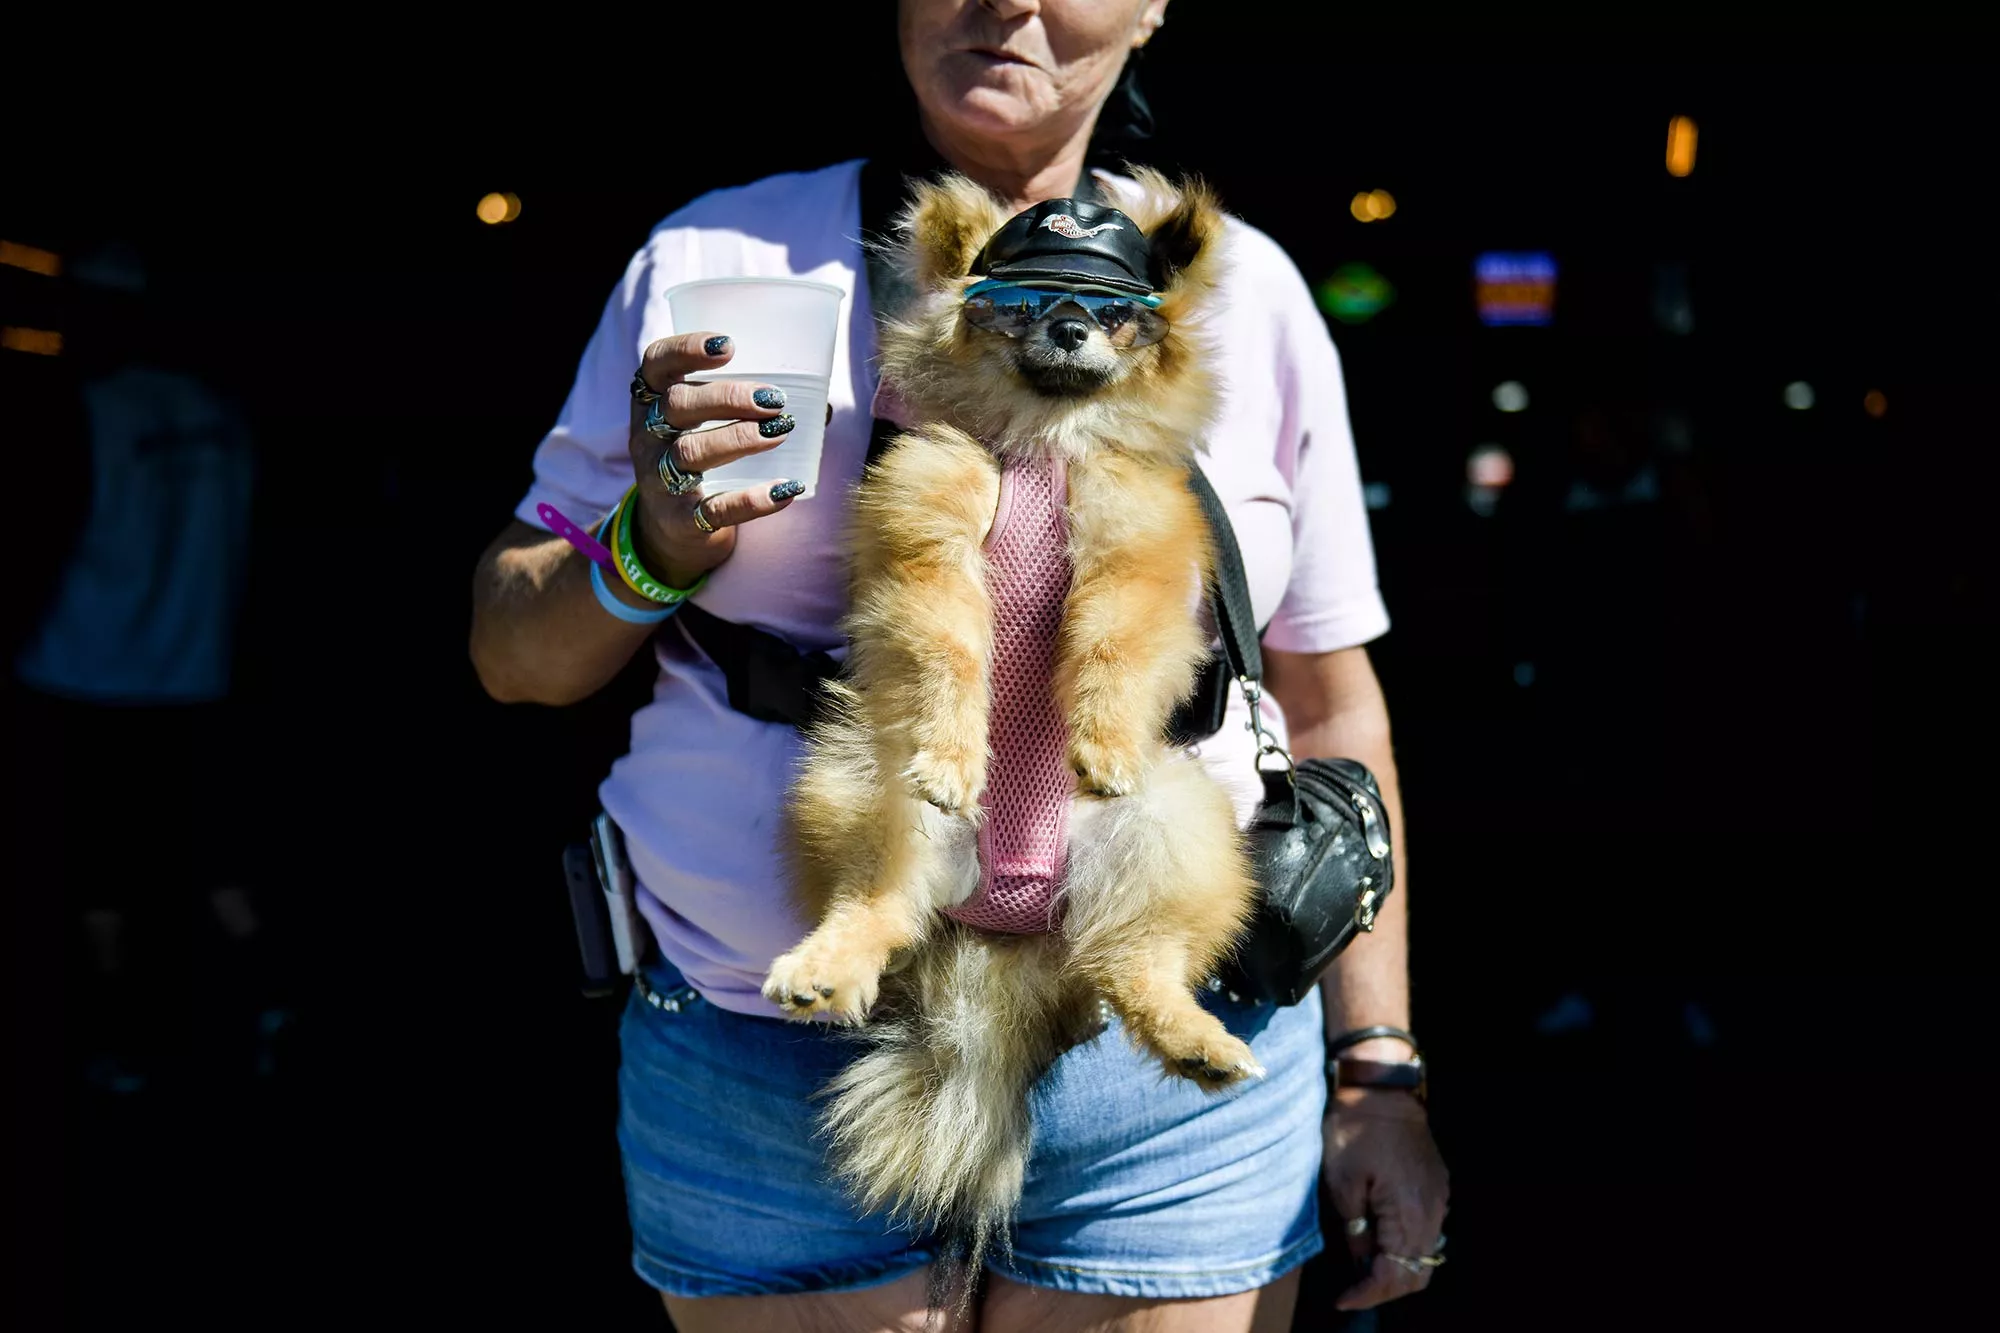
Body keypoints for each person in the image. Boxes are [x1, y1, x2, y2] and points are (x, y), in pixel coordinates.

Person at [469, 3, 1448, 1329]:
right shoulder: (724, 260)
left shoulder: (1246, 293)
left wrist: (1376, 1071)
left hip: (1171, 1082)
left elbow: (1332, 707)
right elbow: (515, 658)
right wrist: (647, 546)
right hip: (770, 1048)